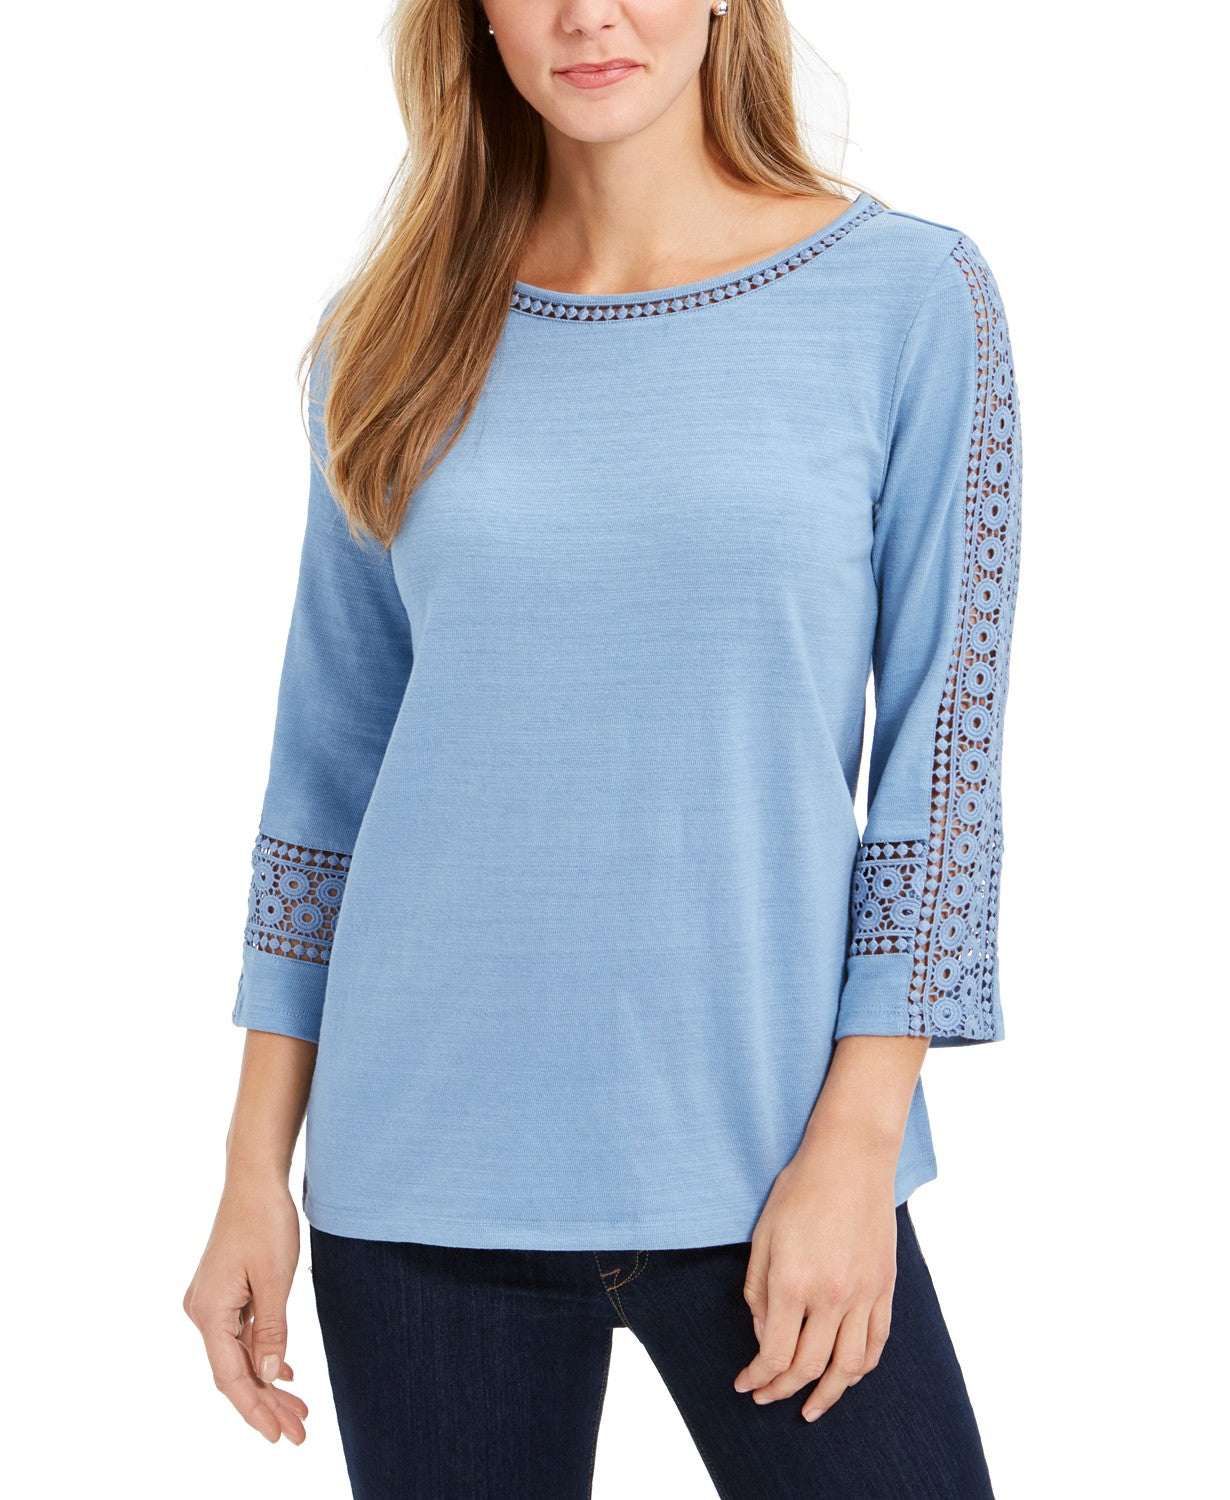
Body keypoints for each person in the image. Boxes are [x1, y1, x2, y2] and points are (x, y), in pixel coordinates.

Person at [183, 2, 1022, 1495]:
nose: (587, 13)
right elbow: (326, 771)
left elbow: (942, 768)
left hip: (773, 1158)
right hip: (417, 1173)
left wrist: (856, 1142)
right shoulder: (390, 333)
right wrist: (254, 1171)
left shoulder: (907, 297)